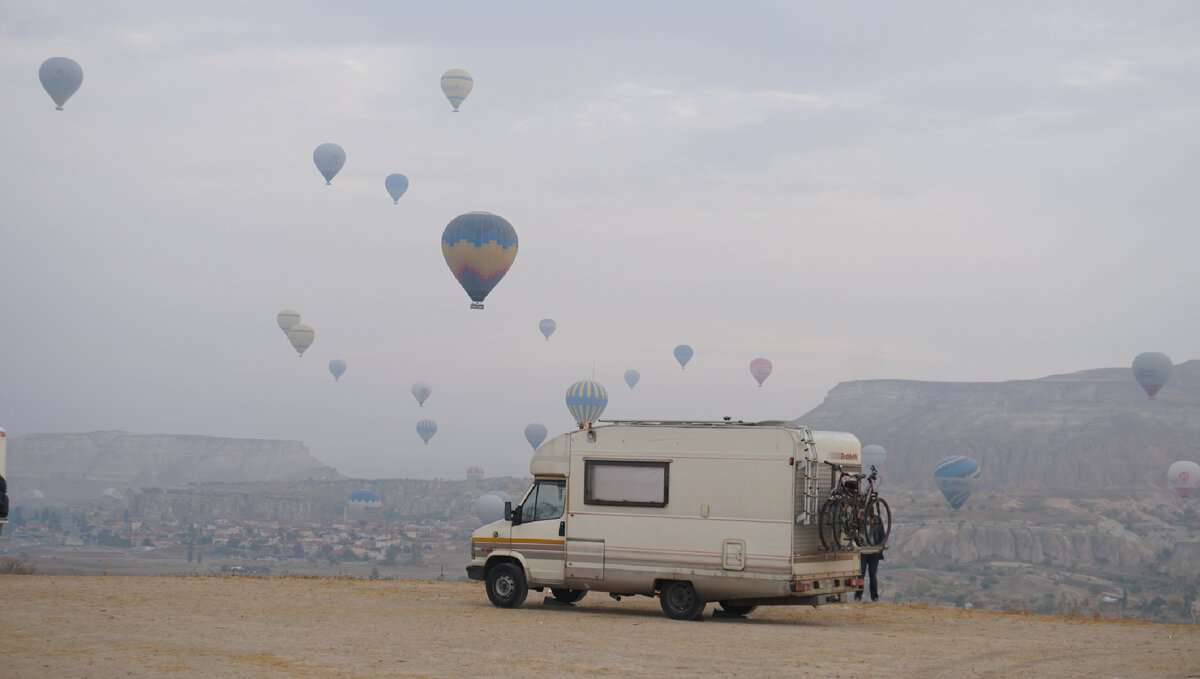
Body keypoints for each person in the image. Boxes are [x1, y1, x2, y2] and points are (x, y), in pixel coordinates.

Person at [854, 523, 885, 602]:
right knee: (860, 576)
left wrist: (880, 548)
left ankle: (874, 597)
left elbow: (882, 535)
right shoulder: (858, 519)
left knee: (873, 576)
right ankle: (858, 596)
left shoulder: (876, 520)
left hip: (874, 552)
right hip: (862, 552)